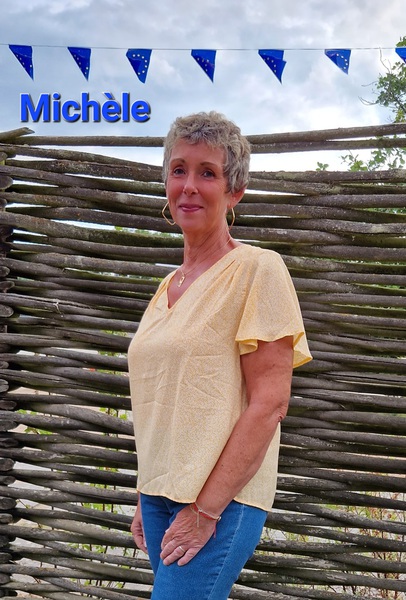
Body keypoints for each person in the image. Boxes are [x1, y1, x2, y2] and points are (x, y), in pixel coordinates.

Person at [128, 111, 312, 600]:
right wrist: (145, 491)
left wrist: (205, 510)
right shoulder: (167, 286)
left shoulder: (257, 270)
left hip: (220, 502)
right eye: (179, 170)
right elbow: (165, 400)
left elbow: (270, 403)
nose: (189, 185)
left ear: (235, 192)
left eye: (207, 173)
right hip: (161, 495)